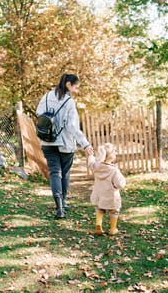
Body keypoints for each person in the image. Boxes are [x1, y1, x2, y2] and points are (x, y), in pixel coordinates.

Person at [36, 73, 93, 219]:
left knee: (55, 172)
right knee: (65, 173)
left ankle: (59, 207)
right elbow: (73, 126)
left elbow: (39, 114)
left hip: (47, 142)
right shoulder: (68, 102)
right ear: (68, 84)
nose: (76, 91)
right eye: (76, 87)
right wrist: (85, 144)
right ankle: (63, 201)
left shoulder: (46, 96)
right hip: (65, 143)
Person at [88, 143, 126, 235]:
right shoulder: (114, 170)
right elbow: (120, 183)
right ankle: (113, 229)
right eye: (114, 152)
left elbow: (90, 163)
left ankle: (98, 224)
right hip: (111, 196)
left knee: (100, 209)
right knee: (114, 211)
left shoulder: (96, 167)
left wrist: (91, 155)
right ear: (111, 156)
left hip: (99, 195)